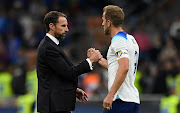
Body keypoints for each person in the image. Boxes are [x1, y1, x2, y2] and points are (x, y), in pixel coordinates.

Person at [36, 11, 102, 113]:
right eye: (63, 26)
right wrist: (90, 60)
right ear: (52, 26)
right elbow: (68, 72)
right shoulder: (48, 48)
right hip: (53, 106)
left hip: (57, 104)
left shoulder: (52, 45)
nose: (66, 29)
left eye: (66, 26)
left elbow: (55, 76)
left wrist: (72, 89)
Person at [88, 5, 140, 113]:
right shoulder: (131, 39)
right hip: (132, 99)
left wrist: (110, 95)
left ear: (109, 22)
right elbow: (118, 66)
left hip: (120, 99)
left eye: (103, 20)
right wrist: (100, 59)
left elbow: (124, 67)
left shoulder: (118, 40)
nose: (102, 24)